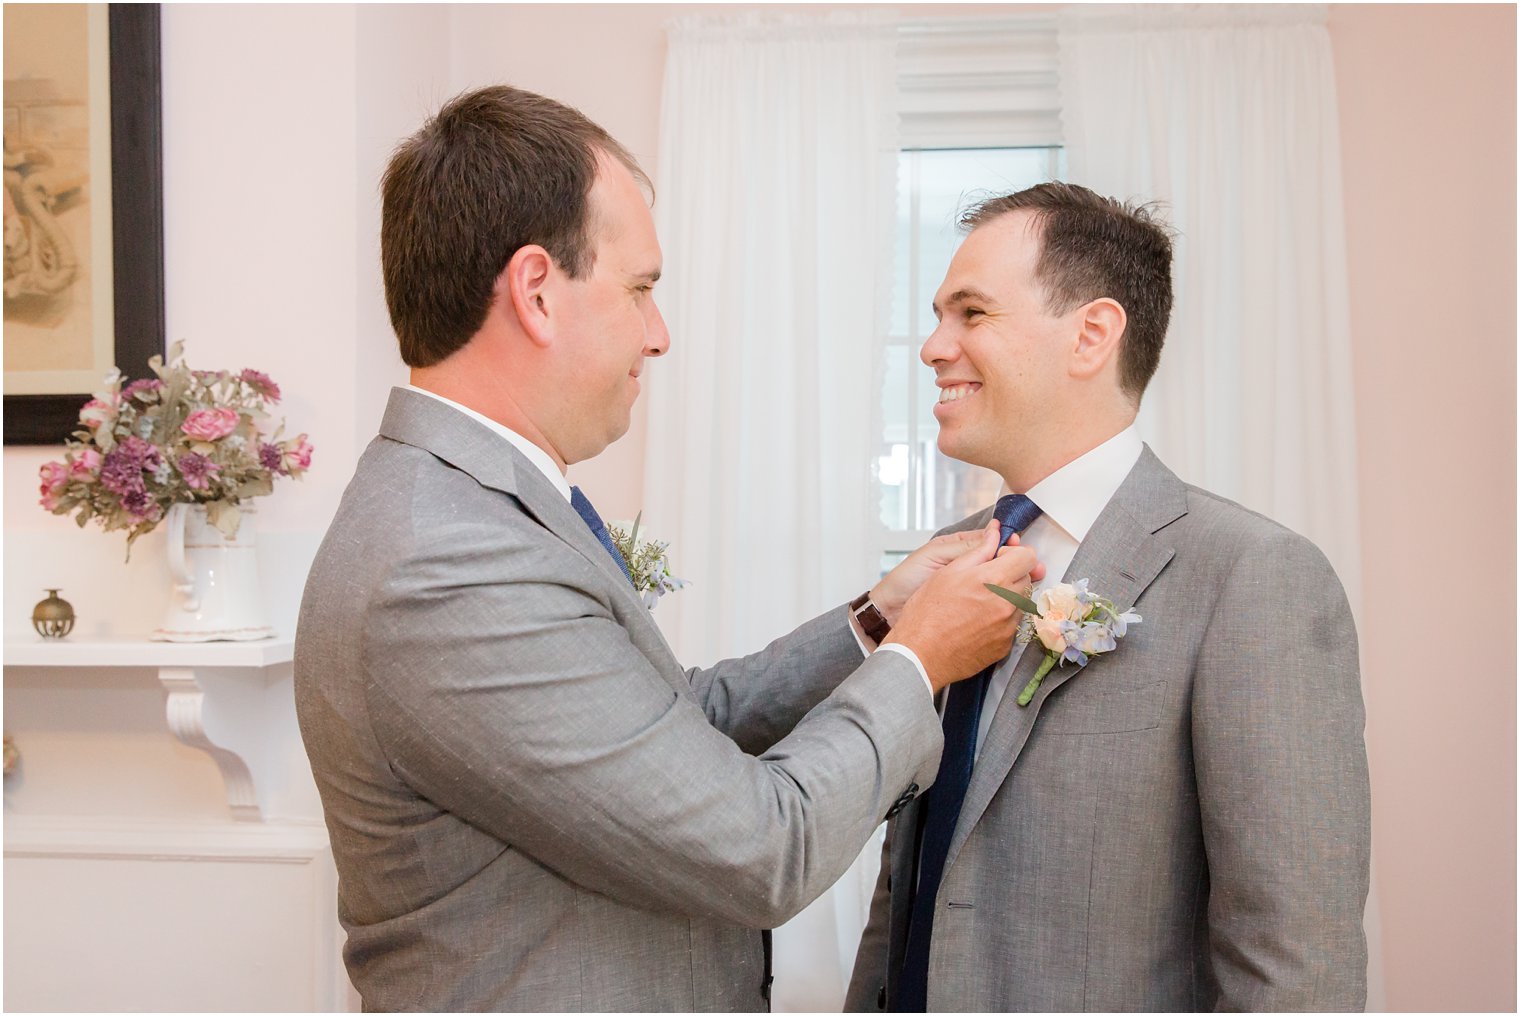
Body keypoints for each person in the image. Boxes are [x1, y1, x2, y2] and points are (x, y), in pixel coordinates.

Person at [293, 85, 1044, 1012]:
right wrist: (918, 657)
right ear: (536, 292)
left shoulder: (476, 504)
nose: (659, 334)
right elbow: (762, 848)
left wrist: (875, 618)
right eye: (641, 290)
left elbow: (664, 726)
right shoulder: (444, 564)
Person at [845, 183, 1371, 1012]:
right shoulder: (955, 564)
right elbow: (912, 879)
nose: (932, 346)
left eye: (971, 313)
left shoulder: (1252, 577)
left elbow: (1295, 961)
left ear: (1091, 334)